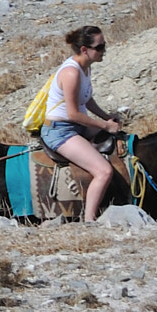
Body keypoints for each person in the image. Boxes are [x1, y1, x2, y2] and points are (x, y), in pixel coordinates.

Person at [40, 25, 123, 222]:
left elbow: (87, 99)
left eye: (104, 45)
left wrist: (106, 117)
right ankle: (89, 221)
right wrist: (105, 126)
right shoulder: (71, 73)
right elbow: (73, 113)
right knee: (103, 171)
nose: (104, 50)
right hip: (60, 130)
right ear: (84, 50)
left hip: (75, 125)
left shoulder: (85, 67)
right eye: (100, 47)